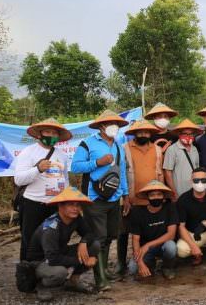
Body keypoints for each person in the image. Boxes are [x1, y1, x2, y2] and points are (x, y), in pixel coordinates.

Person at [71, 109, 129, 291]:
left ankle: (103, 269)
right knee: (98, 238)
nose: (114, 127)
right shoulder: (87, 144)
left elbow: (122, 173)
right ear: (101, 126)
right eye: (110, 124)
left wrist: (125, 195)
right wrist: (97, 163)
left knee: (111, 235)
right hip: (94, 198)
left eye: (117, 124)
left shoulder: (119, 146)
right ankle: (100, 279)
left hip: (115, 198)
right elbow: (75, 167)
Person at [25, 187, 99, 302]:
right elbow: (53, 258)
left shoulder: (76, 218)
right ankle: (41, 285)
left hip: (59, 252)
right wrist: (84, 261)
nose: (75, 209)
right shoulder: (51, 228)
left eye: (78, 205)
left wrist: (83, 242)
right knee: (60, 272)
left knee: (94, 245)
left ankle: (72, 282)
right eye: (71, 205)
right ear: (60, 206)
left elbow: (89, 233)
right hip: (40, 261)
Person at [14, 118, 71, 260]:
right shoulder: (29, 152)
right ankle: (27, 278)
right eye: (47, 132)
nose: (51, 135)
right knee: (30, 242)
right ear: (39, 134)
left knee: (53, 241)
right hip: (33, 205)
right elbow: (19, 179)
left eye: (54, 133)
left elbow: (65, 179)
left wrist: (67, 201)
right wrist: (37, 169)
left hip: (55, 206)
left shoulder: (61, 155)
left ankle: (48, 276)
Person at [117, 120, 164, 276]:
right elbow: (121, 173)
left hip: (152, 198)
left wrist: (162, 194)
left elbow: (160, 173)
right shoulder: (124, 149)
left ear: (150, 133)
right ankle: (120, 262)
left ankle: (148, 259)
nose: (143, 134)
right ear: (134, 133)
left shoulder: (157, 149)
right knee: (123, 231)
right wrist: (125, 197)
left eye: (146, 132)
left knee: (150, 229)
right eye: (140, 131)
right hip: (131, 198)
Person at [128, 180, 178, 280]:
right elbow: (135, 239)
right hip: (145, 249)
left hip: (163, 244)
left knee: (171, 247)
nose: (156, 197)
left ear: (163, 197)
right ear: (147, 197)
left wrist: (148, 245)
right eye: (152, 195)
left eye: (159, 194)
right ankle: (150, 264)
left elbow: (171, 234)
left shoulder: (170, 208)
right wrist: (140, 263)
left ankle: (167, 267)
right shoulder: (137, 212)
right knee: (132, 269)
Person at [163, 118, 201, 197]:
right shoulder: (172, 149)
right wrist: (173, 192)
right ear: (179, 134)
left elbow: (197, 169)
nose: (188, 136)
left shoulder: (194, 149)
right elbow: (167, 172)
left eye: (191, 134)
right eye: (185, 133)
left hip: (194, 191)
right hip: (179, 192)